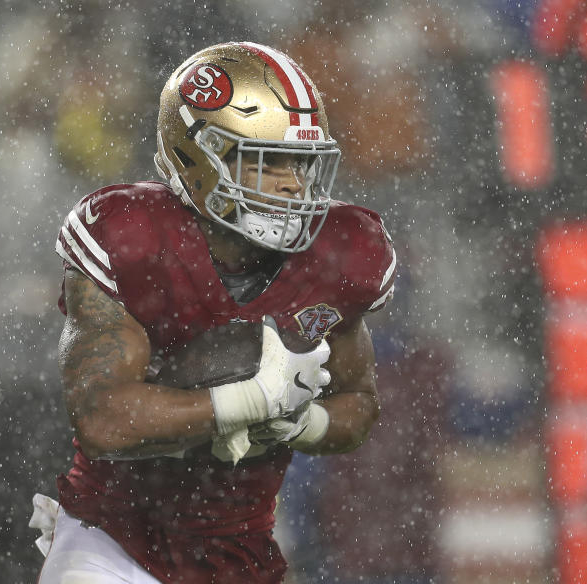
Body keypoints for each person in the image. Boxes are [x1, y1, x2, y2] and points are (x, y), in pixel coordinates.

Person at [30, 42, 397, 584]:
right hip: (111, 539)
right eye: (269, 161)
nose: (294, 184)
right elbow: (104, 417)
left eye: (301, 163)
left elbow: (359, 403)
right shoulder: (132, 237)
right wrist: (252, 399)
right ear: (198, 157)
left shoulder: (340, 255)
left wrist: (303, 421)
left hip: (242, 549)